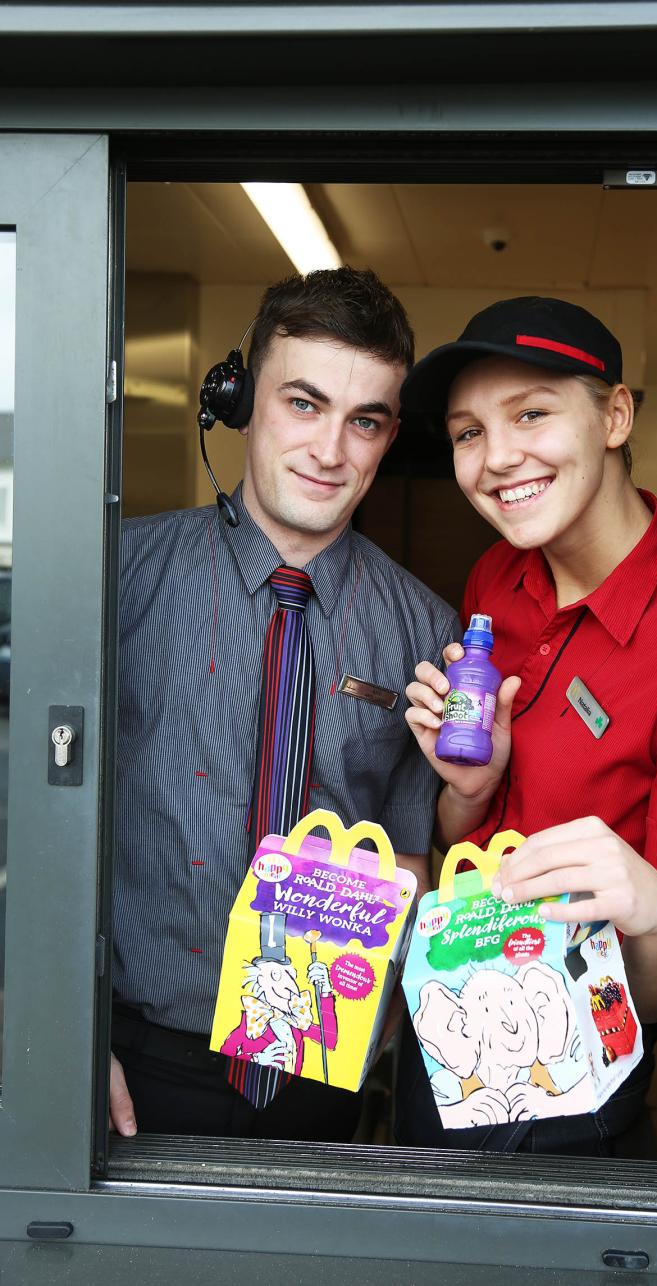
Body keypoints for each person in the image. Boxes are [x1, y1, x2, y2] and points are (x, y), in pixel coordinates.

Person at [109, 267, 459, 1143]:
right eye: (303, 404)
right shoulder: (117, 576)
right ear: (239, 402)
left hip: (324, 1075)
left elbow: (409, 853)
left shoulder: (426, 626)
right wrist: (52, 1034)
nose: (330, 450)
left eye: (364, 421)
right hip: (126, 1060)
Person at [395, 296, 657, 1155]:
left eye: (530, 413)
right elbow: (466, 833)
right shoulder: (498, 576)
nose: (496, 459)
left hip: (569, 1064)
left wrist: (656, 911)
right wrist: (470, 789)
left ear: (614, 414)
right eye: (466, 433)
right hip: (447, 1010)